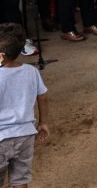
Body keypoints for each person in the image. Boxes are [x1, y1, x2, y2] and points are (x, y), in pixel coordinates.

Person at [0, 23, 50, 188]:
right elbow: (42, 98)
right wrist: (43, 122)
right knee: (21, 179)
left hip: (1, 138)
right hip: (25, 136)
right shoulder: (31, 71)